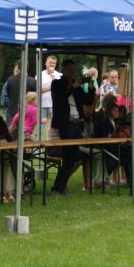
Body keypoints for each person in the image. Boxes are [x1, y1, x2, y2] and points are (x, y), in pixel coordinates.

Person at [49, 59, 95, 195]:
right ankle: (57, 188)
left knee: (72, 157)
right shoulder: (57, 83)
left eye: (73, 70)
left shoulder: (76, 84)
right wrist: (74, 86)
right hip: (66, 124)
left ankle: (59, 187)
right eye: (69, 70)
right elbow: (60, 98)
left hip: (77, 123)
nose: (72, 72)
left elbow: (87, 100)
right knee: (69, 156)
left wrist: (90, 89)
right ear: (63, 70)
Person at [5, 60, 37, 125]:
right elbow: (34, 97)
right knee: (24, 129)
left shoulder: (10, 79)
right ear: (28, 67)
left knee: (12, 129)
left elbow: (9, 94)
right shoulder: (32, 81)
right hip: (27, 111)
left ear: (18, 67)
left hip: (13, 109)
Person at [38, 55, 61, 131]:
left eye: (54, 63)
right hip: (42, 105)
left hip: (54, 105)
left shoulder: (59, 75)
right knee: (41, 128)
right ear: (46, 63)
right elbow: (39, 89)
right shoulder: (40, 74)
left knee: (53, 128)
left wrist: (52, 75)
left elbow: (58, 90)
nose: (52, 64)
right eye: (50, 62)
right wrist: (52, 87)